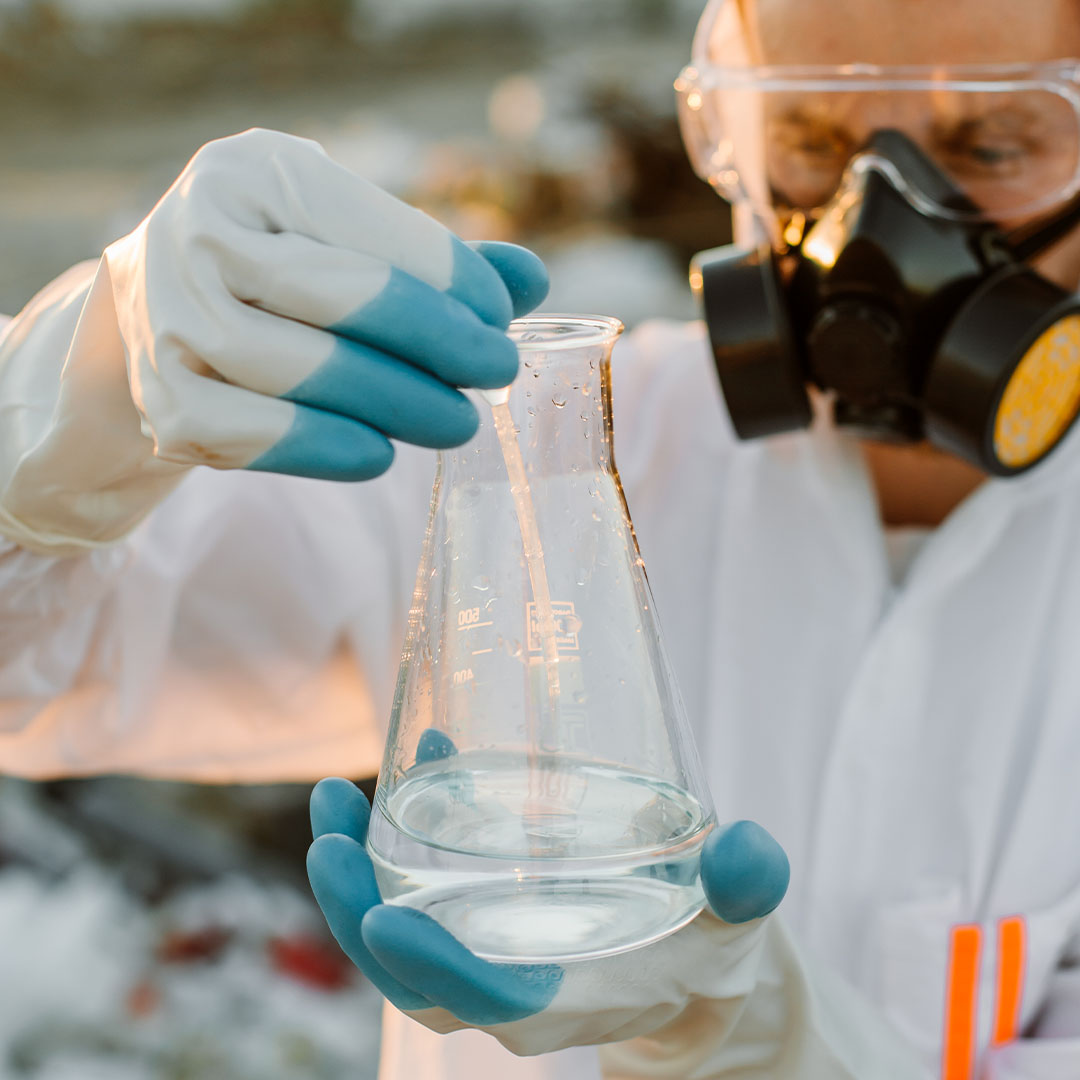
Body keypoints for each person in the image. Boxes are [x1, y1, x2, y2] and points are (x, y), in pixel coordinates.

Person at [2, 0, 1080, 1075]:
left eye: (994, 142)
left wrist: (748, 1033)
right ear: (730, 140)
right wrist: (80, 393)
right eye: (806, 140)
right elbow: (30, 674)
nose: (878, 223)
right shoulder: (531, 446)